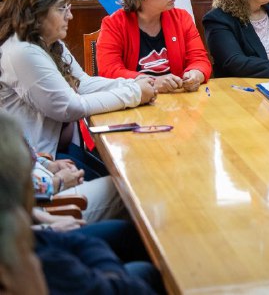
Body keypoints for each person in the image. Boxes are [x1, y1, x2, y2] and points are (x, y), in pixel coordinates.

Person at [0, 0, 156, 176]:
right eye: (62, 8)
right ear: (36, 12)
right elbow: (69, 107)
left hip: (62, 151)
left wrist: (133, 82)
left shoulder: (48, 43)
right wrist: (134, 93)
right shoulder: (22, 52)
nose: (70, 16)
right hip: (40, 166)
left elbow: (83, 84)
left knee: (125, 174)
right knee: (131, 182)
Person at [0, 112, 160, 294]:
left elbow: (22, 171)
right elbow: (69, 104)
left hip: (39, 216)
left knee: (127, 236)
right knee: (126, 185)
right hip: (50, 202)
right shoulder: (35, 259)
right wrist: (57, 183)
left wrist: (46, 164)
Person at [97, 0, 211, 93]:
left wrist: (195, 74)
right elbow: (109, 71)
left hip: (177, 101)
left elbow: (199, 59)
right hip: (135, 104)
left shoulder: (182, 18)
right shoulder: (114, 24)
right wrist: (153, 83)